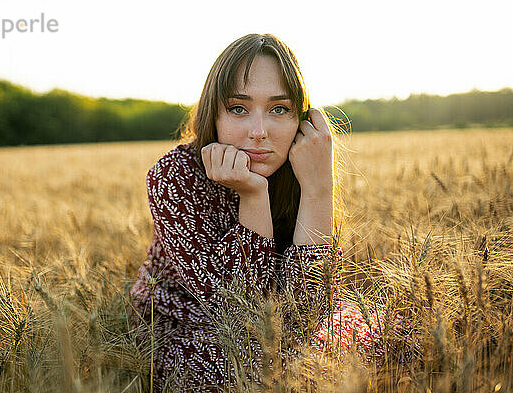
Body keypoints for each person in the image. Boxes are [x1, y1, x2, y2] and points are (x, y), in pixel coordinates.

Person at [129, 33, 411, 392]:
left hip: (283, 333)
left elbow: (306, 314)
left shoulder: (302, 168)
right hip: (184, 327)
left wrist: (319, 190)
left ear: (301, 118)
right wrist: (252, 195)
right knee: (258, 368)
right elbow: (239, 320)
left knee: (398, 338)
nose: (259, 132)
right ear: (212, 112)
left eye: (279, 109)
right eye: (238, 108)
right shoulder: (175, 176)